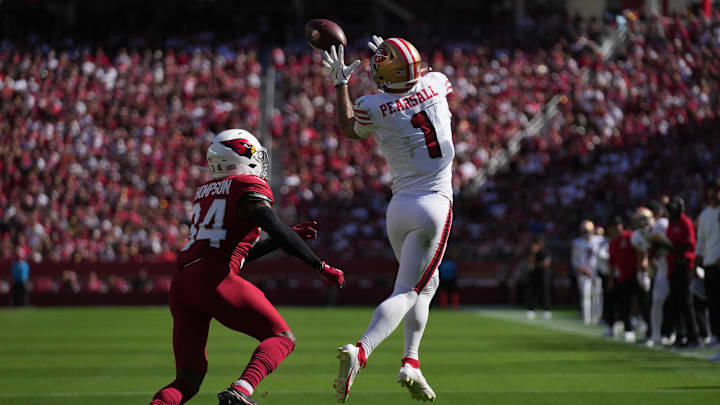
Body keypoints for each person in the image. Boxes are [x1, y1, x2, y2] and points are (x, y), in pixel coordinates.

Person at [149, 129, 345, 405]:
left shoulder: (204, 191)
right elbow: (272, 225)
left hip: (183, 283)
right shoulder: (246, 186)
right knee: (281, 337)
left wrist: (286, 236)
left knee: (188, 379)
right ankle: (241, 389)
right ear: (241, 156)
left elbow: (240, 254)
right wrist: (319, 265)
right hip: (214, 278)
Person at [323, 35, 455, 402]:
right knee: (409, 291)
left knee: (426, 286)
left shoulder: (371, 105)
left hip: (399, 208)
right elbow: (435, 95)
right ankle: (361, 350)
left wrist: (340, 84)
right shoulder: (436, 82)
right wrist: (397, 59)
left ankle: (411, 362)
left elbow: (348, 128)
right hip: (434, 204)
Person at [665, 196, 700, 347]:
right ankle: (681, 335)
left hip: (683, 265)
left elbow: (690, 245)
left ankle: (694, 336)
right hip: (673, 265)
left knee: (686, 301)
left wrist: (673, 248)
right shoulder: (671, 224)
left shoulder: (685, 223)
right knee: (676, 302)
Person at [695, 178, 720, 346]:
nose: (715, 193)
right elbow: (701, 241)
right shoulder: (704, 215)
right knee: (712, 302)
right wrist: (696, 261)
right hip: (709, 262)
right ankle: (716, 335)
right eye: (712, 190)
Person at [571, 220, 603, 325]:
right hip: (583, 271)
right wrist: (581, 269)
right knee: (585, 294)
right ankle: (586, 317)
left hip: (596, 270)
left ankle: (597, 316)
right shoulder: (577, 242)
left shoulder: (599, 240)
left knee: (597, 294)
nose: (586, 233)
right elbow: (575, 260)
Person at [526, 238, 552, 320]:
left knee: (545, 291)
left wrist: (536, 264)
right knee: (534, 292)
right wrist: (533, 253)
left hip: (544, 274)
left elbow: (546, 264)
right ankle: (531, 310)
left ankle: (547, 310)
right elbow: (530, 262)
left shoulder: (546, 251)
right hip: (535, 274)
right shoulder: (533, 252)